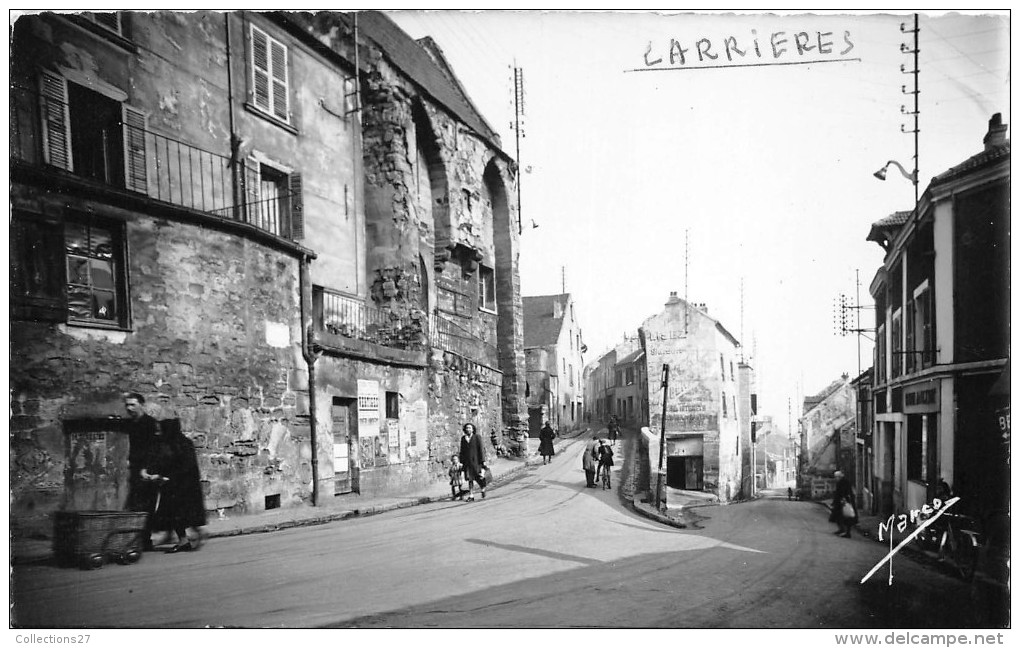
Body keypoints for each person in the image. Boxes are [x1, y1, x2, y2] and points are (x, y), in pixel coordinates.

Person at [142, 419, 207, 553]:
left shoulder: (183, 444)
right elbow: (161, 461)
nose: (158, 432)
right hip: (172, 485)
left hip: (185, 486)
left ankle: (192, 536)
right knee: (175, 514)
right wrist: (150, 472)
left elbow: (186, 467)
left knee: (184, 514)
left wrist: (165, 477)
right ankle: (184, 540)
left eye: (161, 429)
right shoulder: (167, 444)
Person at [123, 393, 159, 550]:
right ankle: (136, 538)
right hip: (133, 468)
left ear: (141, 405)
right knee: (134, 504)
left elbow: (154, 449)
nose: (129, 408)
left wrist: (146, 468)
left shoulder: (150, 424)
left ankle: (145, 538)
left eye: (133, 404)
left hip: (148, 470)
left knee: (147, 505)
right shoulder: (129, 424)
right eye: (127, 405)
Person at [459, 423, 488, 501]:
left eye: (470, 428)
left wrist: (483, 461)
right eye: (467, 428)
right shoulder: (463, 438)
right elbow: (462, 451)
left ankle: (483, 488)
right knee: (470, 479)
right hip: (467, 463)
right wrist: (461, 462)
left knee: (479, 478)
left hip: (476, 462)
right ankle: (471, 495)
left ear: (473, 429)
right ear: (465, 429)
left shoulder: (477, 437)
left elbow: (481, 449)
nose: (468, 429)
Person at [830, 470, 856, 538]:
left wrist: (841, 500)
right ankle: (842, 530)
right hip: (842, 502)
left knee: (846, 517)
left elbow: (842, 493)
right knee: (840, 517)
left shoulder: (843, 482)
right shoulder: (843, 482)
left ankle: (847, 532)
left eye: (836, 477)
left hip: (844, 503)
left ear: (839, 477)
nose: (836, 478)